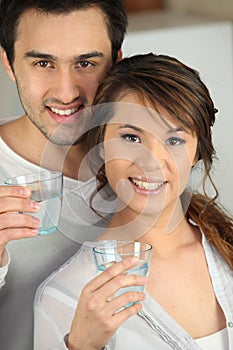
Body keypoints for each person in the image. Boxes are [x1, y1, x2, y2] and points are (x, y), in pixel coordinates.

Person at [34, 53, 233, 349]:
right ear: (100, 144)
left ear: (196, 153)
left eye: (174, 140)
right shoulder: (65, 295)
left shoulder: (226, 247)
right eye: (131, 138)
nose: (151, 162)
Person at [0, 1, 127, 349]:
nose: (66, 92)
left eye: (85, 63)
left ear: (116, 61)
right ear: (8, 63)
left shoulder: (140, 156)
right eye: (43, 63)